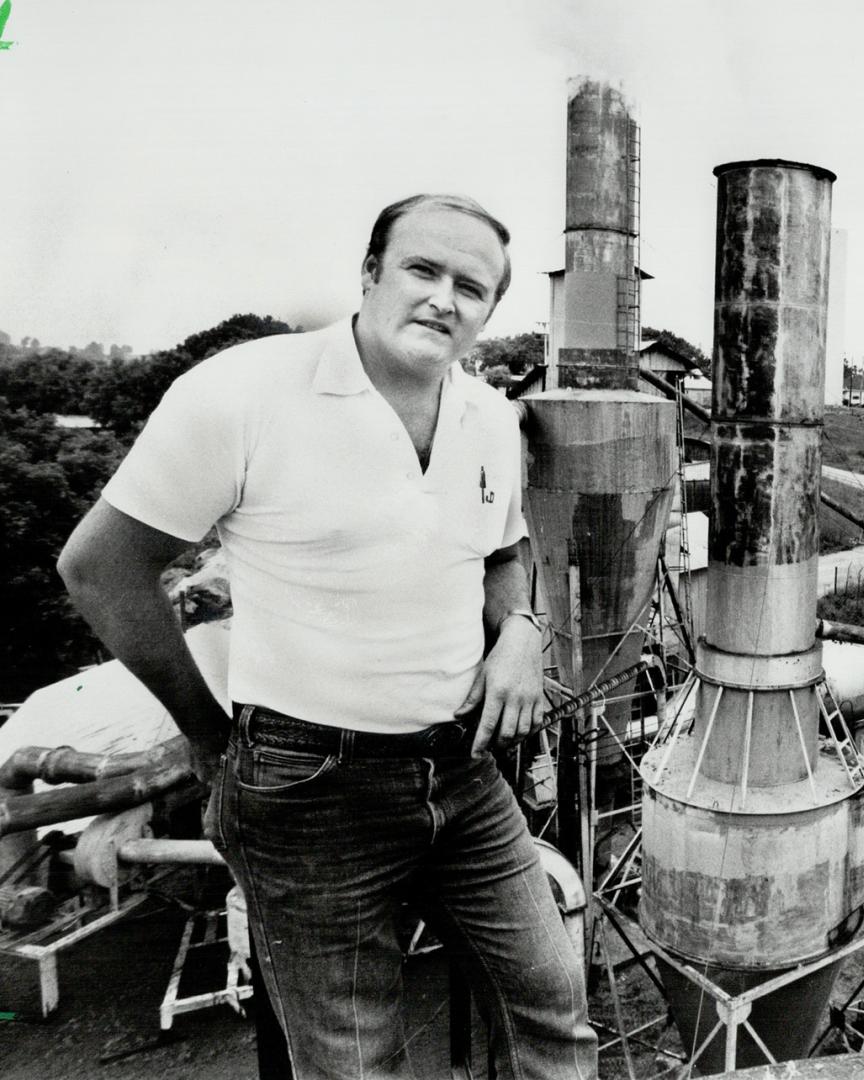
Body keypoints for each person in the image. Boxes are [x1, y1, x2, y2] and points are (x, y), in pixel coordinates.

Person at [58, 194, 597, 1079]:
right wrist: (206, 733)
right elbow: (101, 569)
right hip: (309, 785)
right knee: (352, 1064)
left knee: (552, 1009)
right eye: (423, 270)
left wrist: (523, 634)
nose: (443, 299)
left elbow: (506, 547)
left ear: (490, 312)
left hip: (460, 772)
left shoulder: (489, 417)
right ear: (370, 274)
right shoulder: (244, 392)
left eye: (472, 286)